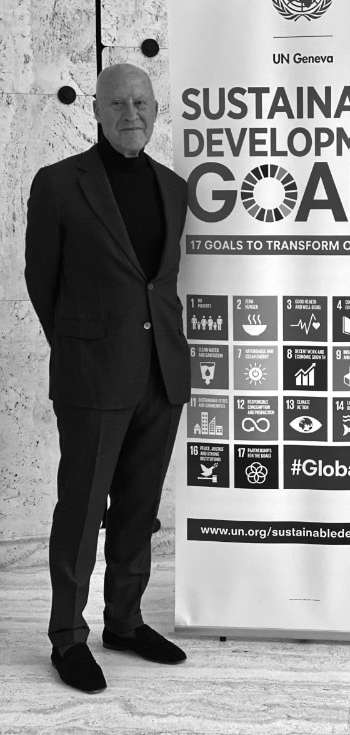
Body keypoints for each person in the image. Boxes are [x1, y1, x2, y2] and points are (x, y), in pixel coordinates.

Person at [25, 63, 191, 693]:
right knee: (82, 509)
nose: (131, 114)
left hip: (161, 373)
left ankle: (124, 621)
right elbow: (43, 281)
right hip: (93, 374)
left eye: (141, 103)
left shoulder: (173, 188)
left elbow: (159, 283)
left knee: (139, 510)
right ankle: (68, 636)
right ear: (95, 110)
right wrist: (81, 348)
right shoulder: (59, 183)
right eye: (118, 103)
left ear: (155, 110)